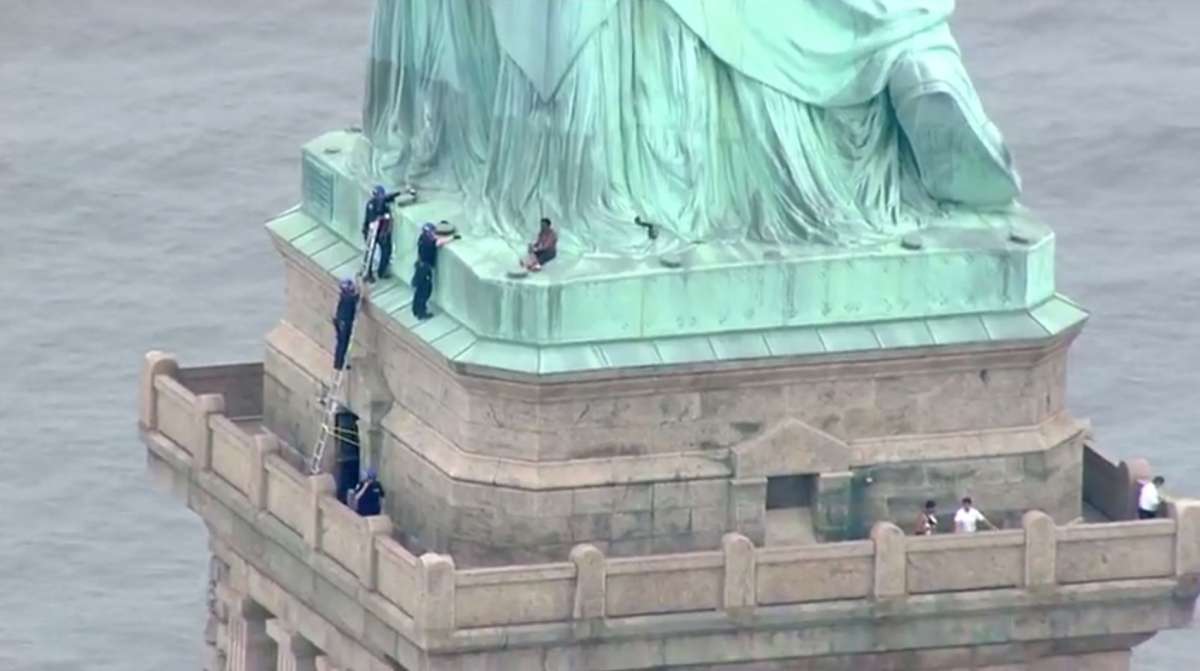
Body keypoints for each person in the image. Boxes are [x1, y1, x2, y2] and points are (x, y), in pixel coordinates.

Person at [411, 221, 456, 320]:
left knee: (418, 290)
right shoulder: (429, 242)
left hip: (420, 266)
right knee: (425, 291)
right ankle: (421, 313)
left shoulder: (422, 238)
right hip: (424, 269)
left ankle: (415, 309)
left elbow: (435, 239)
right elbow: (438, 242)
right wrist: (452, 238)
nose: (433, 233)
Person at [331, 278, 360, 371]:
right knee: (343, 344)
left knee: (341, 343)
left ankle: (338, 363)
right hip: (343, 323)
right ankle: (340, 363)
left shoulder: (344, 297)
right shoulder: (348, 298)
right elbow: (355, 299)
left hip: (340, 322)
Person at [363, 212, 394, 282]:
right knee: (372, 252)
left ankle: (378, 271)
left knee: (384, 251)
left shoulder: (376, 206)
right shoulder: (378, 208)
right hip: (375, 232)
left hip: (378, 232)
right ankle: (370, 272)